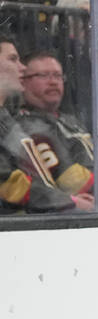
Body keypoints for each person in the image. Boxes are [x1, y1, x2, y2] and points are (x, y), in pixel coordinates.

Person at [16, 50, 98, 210]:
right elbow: (69, 179)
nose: (53, 82)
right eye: (43, 75)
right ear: (23, 82)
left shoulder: (69, 120)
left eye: (57, 76)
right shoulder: (30, 126)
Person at [0, 33, 76, 213]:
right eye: (13, 59)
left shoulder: (6, 118)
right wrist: (68, 201)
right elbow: (7, 182)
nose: (22, 67)